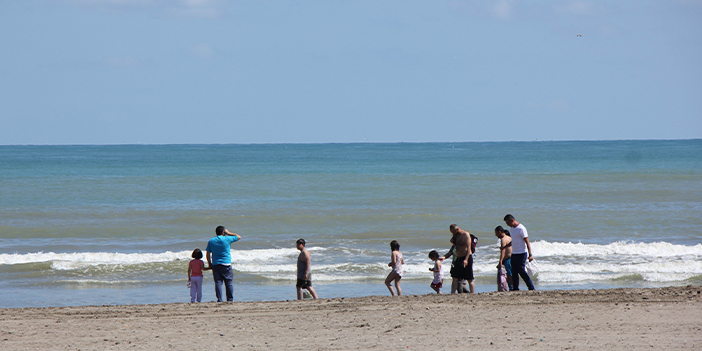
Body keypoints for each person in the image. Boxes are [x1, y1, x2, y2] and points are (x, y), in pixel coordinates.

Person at [205, 225, 241, 302]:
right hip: (226, 263)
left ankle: (219, 299)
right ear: (223, 232)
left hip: (216, 264)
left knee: (218, 282)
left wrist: (209, 263)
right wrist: (229, 233)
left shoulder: (211, 241)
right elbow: (238, 236)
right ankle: (230, 299)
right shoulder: (227, 239)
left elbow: (207, 253)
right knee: (229, 283)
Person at [504, 214, 535, 291]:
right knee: (514, 272)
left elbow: (527, 242)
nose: (507, 224)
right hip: (514, 253)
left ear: (512, 220)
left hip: (521, 253)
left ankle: (531, 287)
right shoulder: (512, 229)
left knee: (521, 271)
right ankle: (515, 288)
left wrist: (530, 254)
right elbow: (513, 241)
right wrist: (505, 247)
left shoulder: (521, 228)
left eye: (508, 222)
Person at [448, 224, 475, 294]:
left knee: (469, 278)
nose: (453, 233)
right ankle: (452, 293)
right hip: (458, 257)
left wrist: (466, 259)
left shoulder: (465, 234)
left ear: (457, 229)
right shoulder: (456, 236)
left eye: (453, 232)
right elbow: (456, 246)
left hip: (467, 257)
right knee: (455, 277)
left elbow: (469, 248)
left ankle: (472, 293)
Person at [494, 226, 513, 291]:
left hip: (508, 259)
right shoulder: (509, 237)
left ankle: (513, 287)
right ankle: (512, 287)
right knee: (509, 274)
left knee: (509, 274)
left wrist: (501, 261)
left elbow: (503, 251)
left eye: (496, 233)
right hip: (511, 258)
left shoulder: (503, 239)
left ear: (499, 232)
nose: (495, 235)